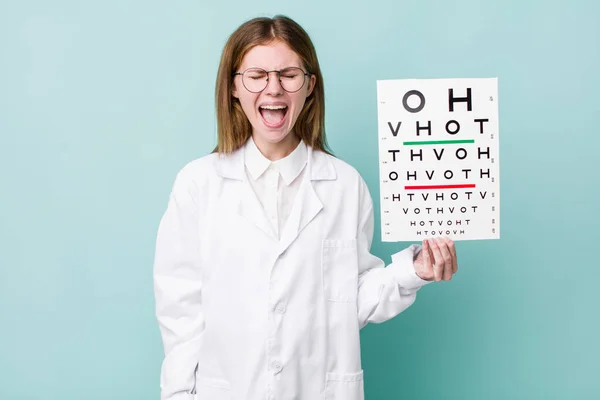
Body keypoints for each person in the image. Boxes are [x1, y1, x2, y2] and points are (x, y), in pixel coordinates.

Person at [153, 14, 458, 400]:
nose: (273, 88)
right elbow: (180, 310)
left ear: (310, 85)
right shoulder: (198, 184)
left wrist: (414, 271)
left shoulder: (346, 186)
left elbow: (351, 301)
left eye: (289, 75)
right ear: (233, 86)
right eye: (257, 75)